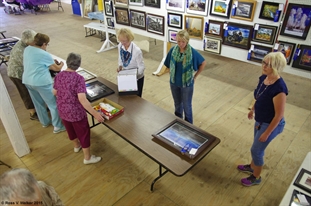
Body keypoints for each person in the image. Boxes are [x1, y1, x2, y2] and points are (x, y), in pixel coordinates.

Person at [237, 52, 288, 186]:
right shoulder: (264, 78)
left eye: (268, 64)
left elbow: (279, 115)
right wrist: (253, 109)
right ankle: (252, 166)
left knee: (256, 150)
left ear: (276, 67)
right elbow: (259, 96)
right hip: (260, 120)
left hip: (271, 124)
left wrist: (267, 133)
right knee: (256, 146)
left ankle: (256, 177)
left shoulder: (279, 89)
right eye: (263, 62)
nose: (264, 66)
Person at [53, 52, 104, 164]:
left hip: (62, 110)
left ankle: (76, 146)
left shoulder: (59, 75)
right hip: (76, 112)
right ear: (79, 64)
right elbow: (82, 99)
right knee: (83, 133)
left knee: (70, 129)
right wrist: (95, 114)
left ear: (67, 62)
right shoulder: (78, 78)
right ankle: (87, 158)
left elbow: (54, 92)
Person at [22, 33, 65, 134]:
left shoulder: (27, 49)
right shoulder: (44, 54)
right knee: (53, 104)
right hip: (41, 82)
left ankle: (44, 122)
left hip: (27, 80)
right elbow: (56, 68)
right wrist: (62, 64)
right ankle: (57, 126)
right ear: (44, 44)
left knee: (38, 103)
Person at [163, 30, 206, 124]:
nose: (180, 44)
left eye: (183, 41)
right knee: (177, 104)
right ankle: (178, 123)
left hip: (187, 84)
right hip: (174, 83)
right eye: (178, 41)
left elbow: (203, 62)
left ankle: (189, 125)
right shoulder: (173, 50)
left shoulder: (192, 52)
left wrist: (195, 76)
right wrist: (171, 71)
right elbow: (168, 63)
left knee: (187, 106)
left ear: (187, 41)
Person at [7, 29, 38, 121]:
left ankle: (38, 107)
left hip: (23, 71)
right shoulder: (21, 51)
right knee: (25, 92)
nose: (35, 42)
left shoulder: (25, 44)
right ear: (28, 41)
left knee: (32, 90)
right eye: (34, 41)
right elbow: (30, 65)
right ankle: (32, 112)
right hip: (16, 74)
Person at [117, 28, 145, 97]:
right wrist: (120, 66)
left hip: (136, 77)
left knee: (136, 98)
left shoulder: (137, 51)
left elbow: (141, 66)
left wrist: (134, 77)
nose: (123, 43)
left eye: (125, 41)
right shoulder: (120, 46)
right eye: (121, 41)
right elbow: (120, 57)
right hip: (125, 74)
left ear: (130, 39)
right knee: (125, 96)